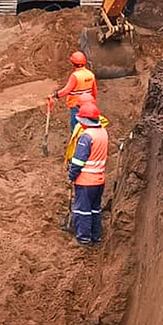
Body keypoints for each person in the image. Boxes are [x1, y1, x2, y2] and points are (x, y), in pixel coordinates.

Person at [68, 103, 108, 246]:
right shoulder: (103, 132)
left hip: (86, 181)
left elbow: (78, 161)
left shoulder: (86, 137)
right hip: (99, 180)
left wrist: (71, 175)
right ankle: (96, 236)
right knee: (95, 209)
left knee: (82, 210)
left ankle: (84, 238)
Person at [50, 50, 98, 133]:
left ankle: (77, 143)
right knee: (87, 127)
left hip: (76, 105)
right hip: (88, 106)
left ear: (72, 63)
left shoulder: (75, 76)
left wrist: (55, 95)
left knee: (76, 129)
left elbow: (67, 90)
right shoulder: (90, 74)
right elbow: (94, 91)